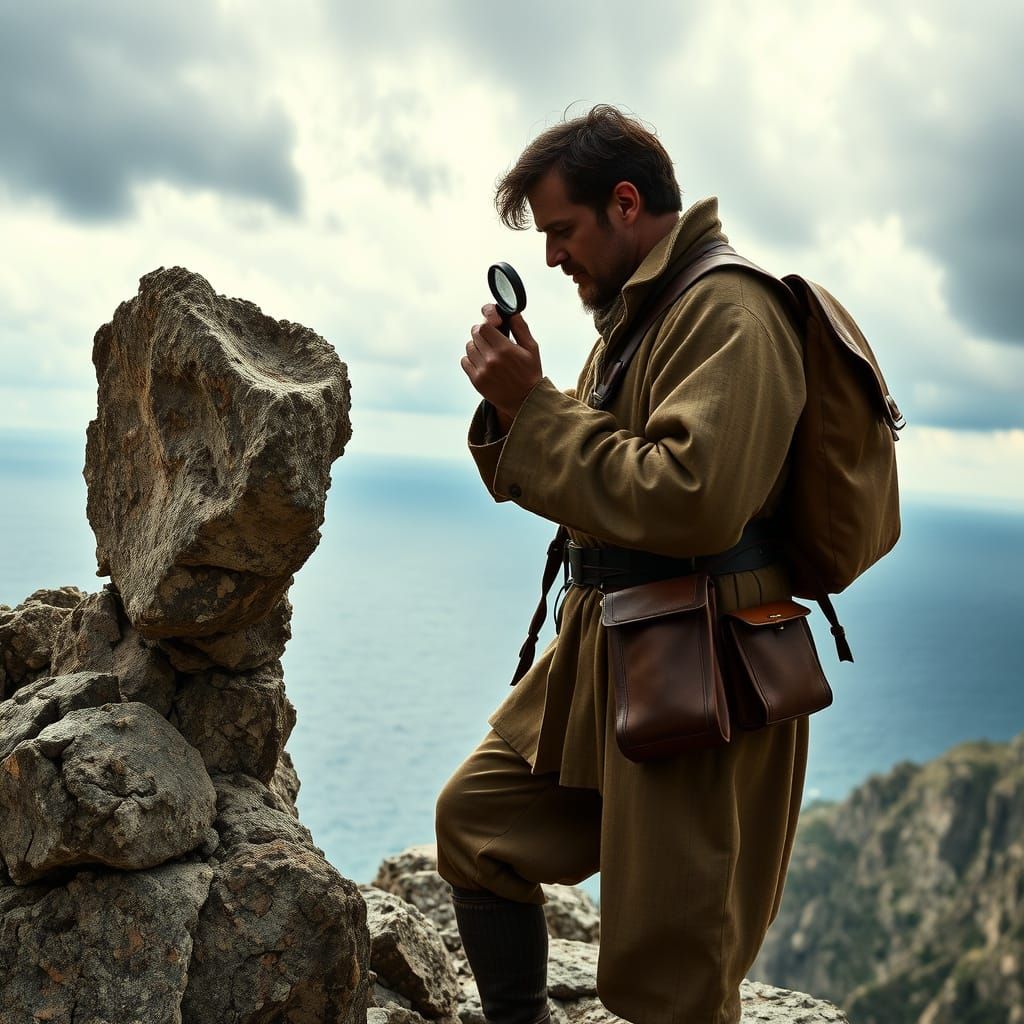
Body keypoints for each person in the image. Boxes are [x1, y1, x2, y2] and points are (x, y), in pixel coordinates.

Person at [435, 105, 808, 1024]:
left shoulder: (732, 311)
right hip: (611, 646)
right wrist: (525, 401)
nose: (554, 258)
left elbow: (692, 498)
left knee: (670, 974)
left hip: (700, 658)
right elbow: (600, 470)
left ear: (627, 204)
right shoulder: (640, 314)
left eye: (562, 231)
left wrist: (541, 413)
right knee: (478, 823)